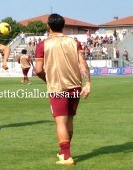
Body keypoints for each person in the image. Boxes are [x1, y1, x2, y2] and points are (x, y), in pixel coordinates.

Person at [35, 13, 91, 166]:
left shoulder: (42, 45)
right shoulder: (74, 42)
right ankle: (63, 152)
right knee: (70, 120)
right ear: (63, 25)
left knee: (61, 122)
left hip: (57, 88)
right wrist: (88, 84)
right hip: (75, 86)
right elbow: (83, 64)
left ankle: (66, 156)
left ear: (48, 26)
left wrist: (47, 80)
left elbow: (38, 70)